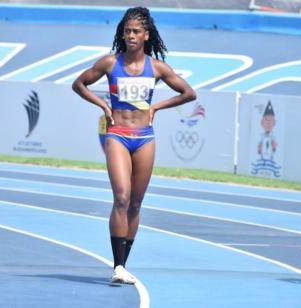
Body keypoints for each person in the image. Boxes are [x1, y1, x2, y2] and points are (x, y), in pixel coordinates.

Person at [72, 7, 196, 284]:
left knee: (136, 204)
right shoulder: (109, 63)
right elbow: (78, 84)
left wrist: (158, 107)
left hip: (144, 138)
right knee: (122, 198)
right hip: (117, 134)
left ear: (146, 35)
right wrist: (103, 104)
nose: (130, 35)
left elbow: (189, 93)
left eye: (136, 31)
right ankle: (117, 266)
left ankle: (124, 266)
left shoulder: (157, 68)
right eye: (127, 31)